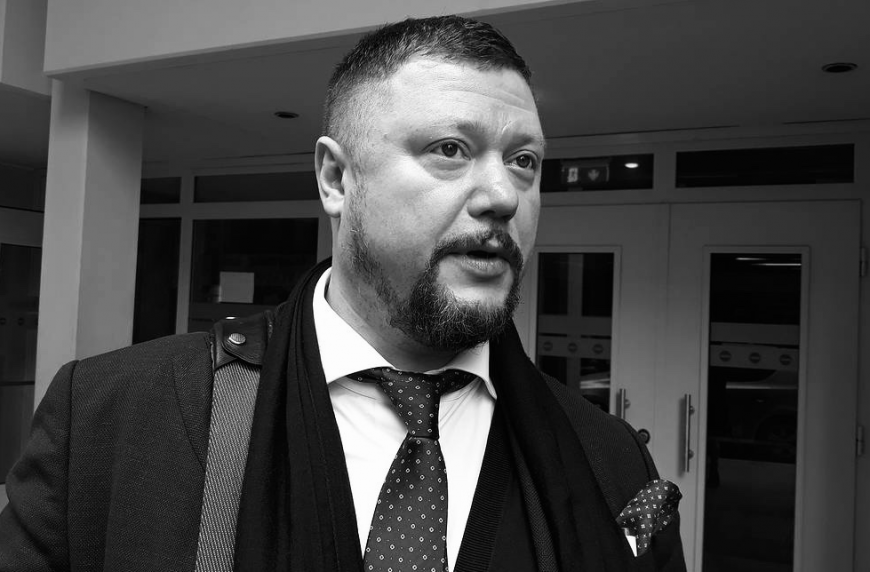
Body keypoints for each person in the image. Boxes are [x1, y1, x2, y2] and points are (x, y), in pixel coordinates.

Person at [0, 15, 685, 572]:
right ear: (336, 178)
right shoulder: (112, 421)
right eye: (450, 149)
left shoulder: (613, 464)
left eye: (524, 161)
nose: (504, 195)